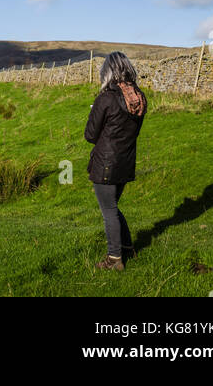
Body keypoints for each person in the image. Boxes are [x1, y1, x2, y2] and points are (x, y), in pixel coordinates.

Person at [84, 52, 147, 271]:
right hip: (125, 161)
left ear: (108, 71)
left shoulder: (106, 98)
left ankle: (114, 259)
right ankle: (128, 247)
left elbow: (90, 135)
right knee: (113, 207)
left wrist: (93, 113)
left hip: (106, 163)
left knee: (108, 210)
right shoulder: (140, 97)